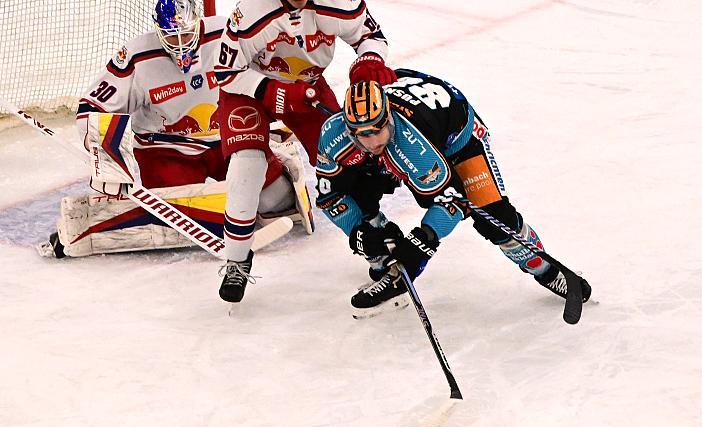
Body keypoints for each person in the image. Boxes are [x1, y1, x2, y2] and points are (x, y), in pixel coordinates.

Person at [38, 0, 308, 259]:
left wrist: (280, 117)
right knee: (177, 221)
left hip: (227, 136)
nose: (179, 43)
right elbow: (91, 108)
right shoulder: (137, 56)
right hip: (166, 150)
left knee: (276, 201)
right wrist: (108, 160)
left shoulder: (228, 33)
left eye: (185, 33)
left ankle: (276, 163)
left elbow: (273, 69)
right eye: (170, 35)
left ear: (197, 22)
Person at [315, 69, 592, 317]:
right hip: (419, 122)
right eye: (362, 135)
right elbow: (328, 197)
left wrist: (421, 243)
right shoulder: (333, 134)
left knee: (493, 218)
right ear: (347, 128)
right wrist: (359, 232)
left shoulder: (412, 145)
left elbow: (453, 203)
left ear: (388, 118)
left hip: (457, 137)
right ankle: (386, 262)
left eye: (378, 130)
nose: (373, 141)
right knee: (356, 189)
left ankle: (546, 270)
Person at [213, 0, 397, 303]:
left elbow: (370, 37)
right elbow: (225, 71)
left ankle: (375, 238)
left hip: (307, 87)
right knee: (247, 165)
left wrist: (368, 62)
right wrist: (270, 91)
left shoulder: (340, 3)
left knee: (349, 162)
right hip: (250, 91)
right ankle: (237, 258)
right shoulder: (252, 11)